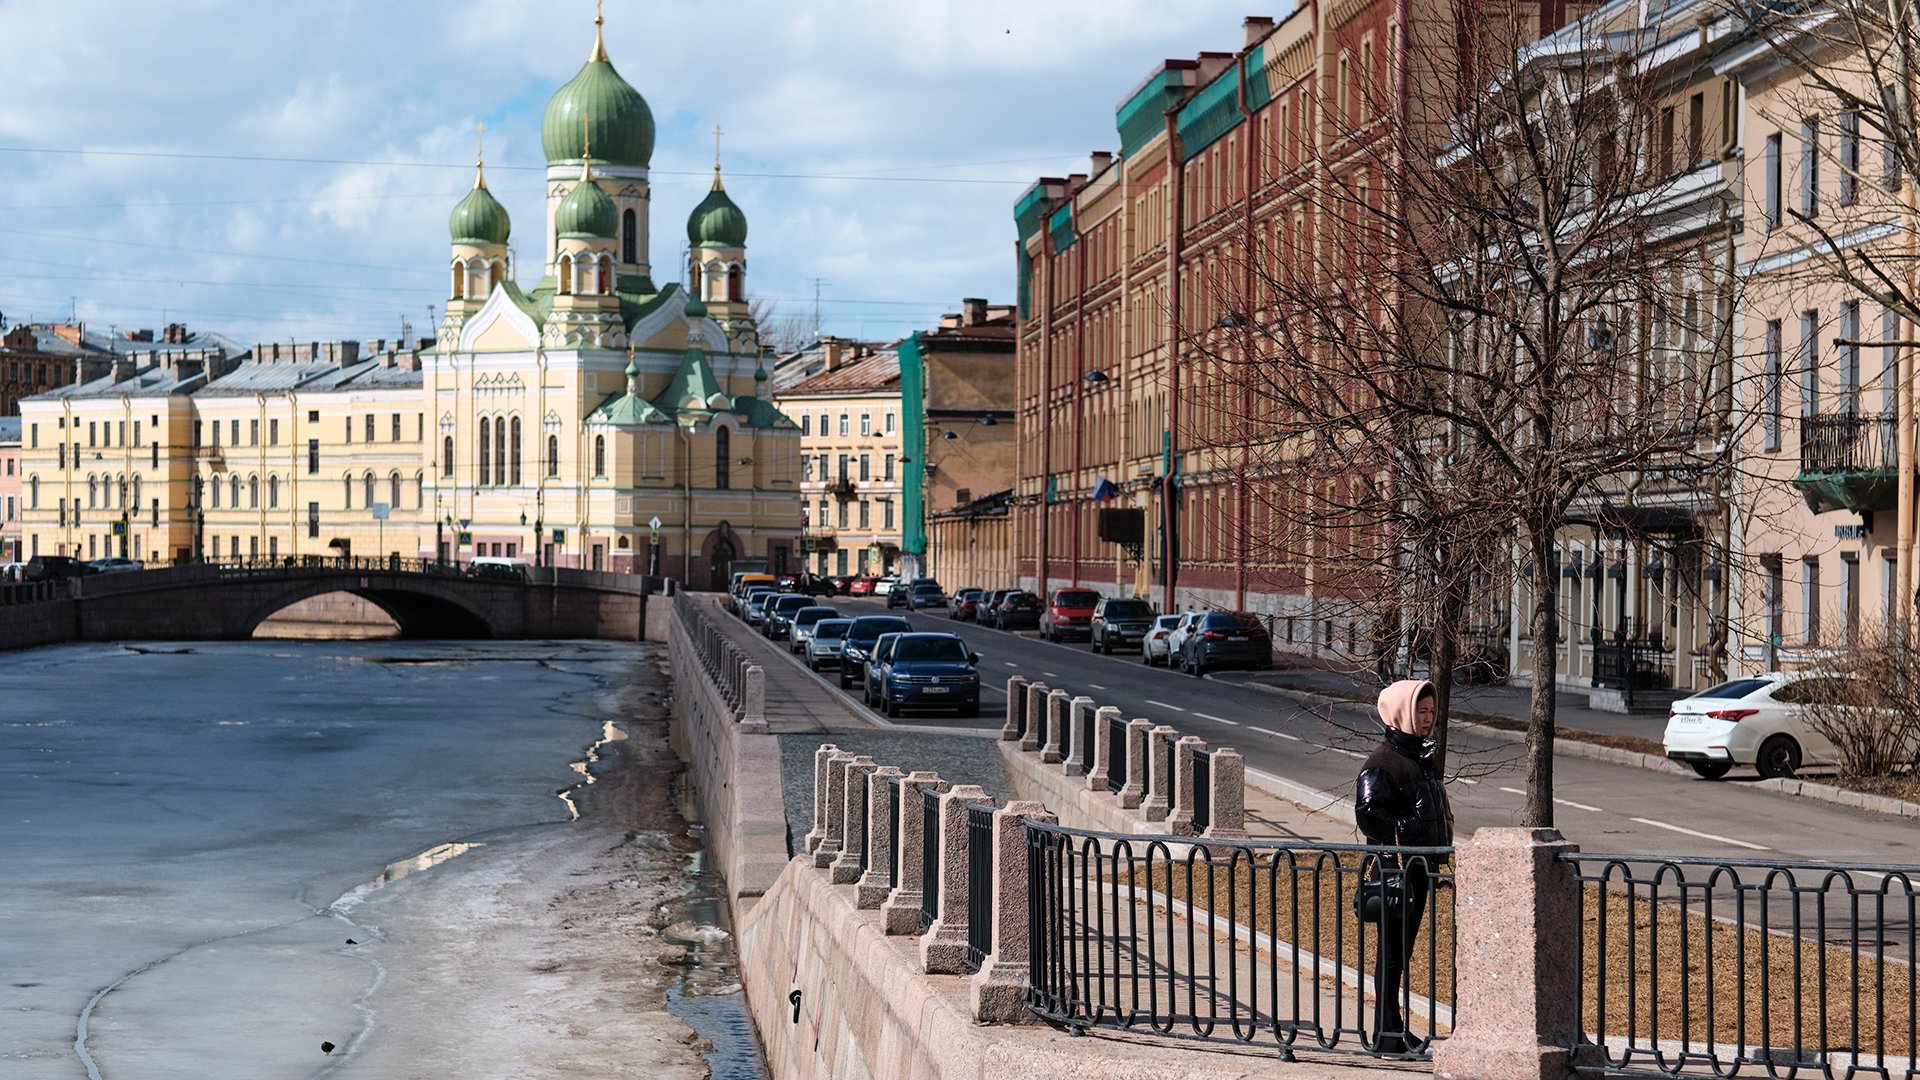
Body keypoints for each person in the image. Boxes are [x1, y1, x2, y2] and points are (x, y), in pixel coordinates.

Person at [1353, 678, 1454, 1054]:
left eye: (1431, 712)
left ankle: (1392, 1028)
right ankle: (1386, 1033)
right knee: (1392, 953)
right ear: (1401, 714)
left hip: (1417, 868)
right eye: (1421, 712)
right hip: (1395, 871)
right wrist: (1412, 828)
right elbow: (1369, 814)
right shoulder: (1383, 764)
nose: (1428, 719)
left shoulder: (1416, 759)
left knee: (1399, 953)